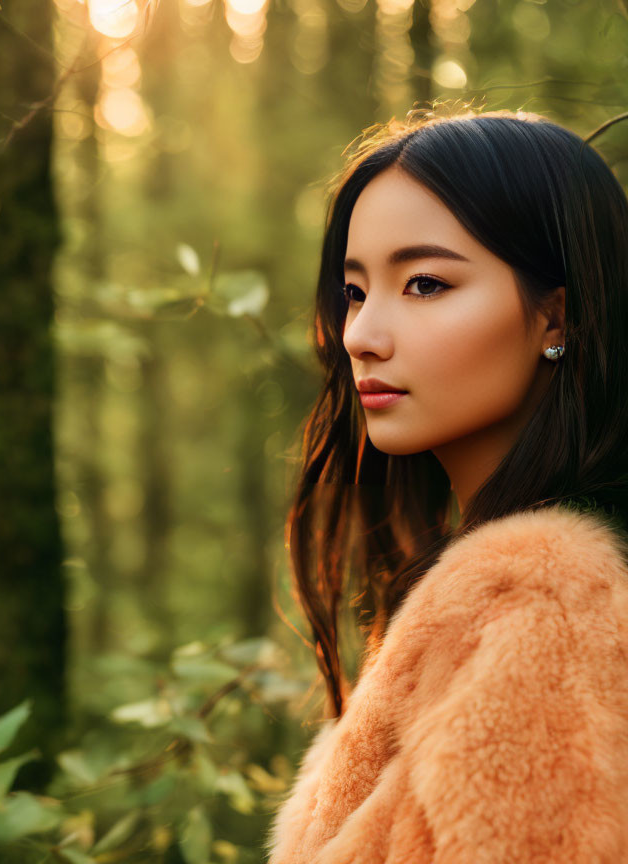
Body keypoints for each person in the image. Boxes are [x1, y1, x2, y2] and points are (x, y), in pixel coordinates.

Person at [264, 108, 628, 863]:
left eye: (425, 284)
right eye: (356, 291)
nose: (360, 335)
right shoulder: (515, 585)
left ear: (554, 316)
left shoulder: (542, 601)